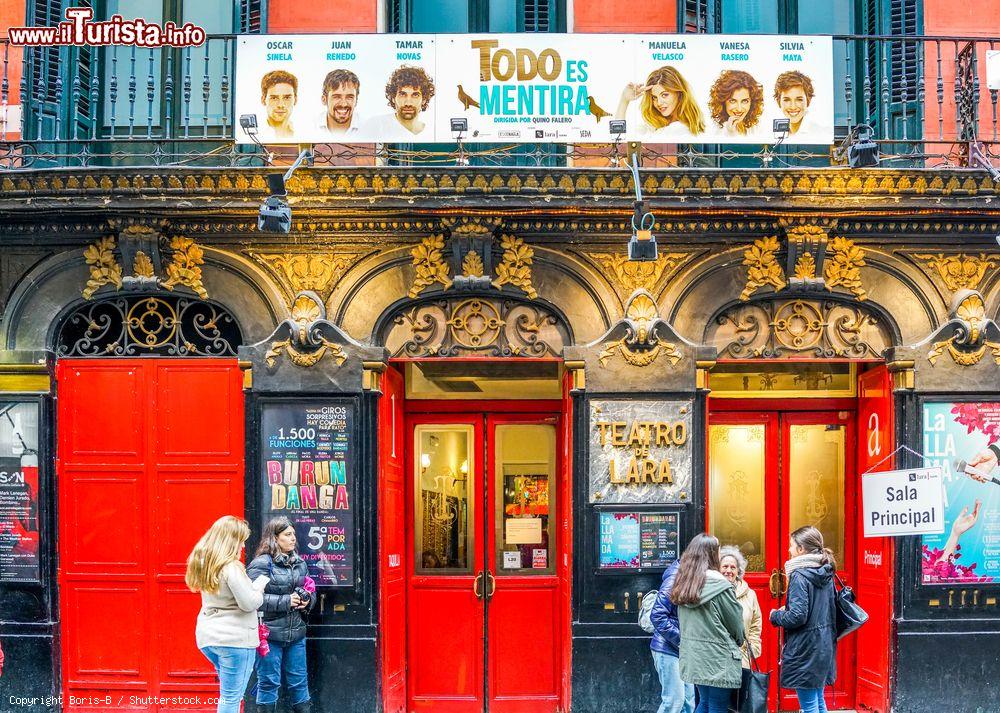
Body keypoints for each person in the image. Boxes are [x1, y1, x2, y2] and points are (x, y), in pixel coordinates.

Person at [186, 516, 268, 713]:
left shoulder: (206, 563)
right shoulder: (231, 567)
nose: (242, 545)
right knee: (232, 698)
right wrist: (260, 587)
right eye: (240, 540)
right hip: (235, 640)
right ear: (230, 540)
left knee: (227, 694)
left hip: (210, 638)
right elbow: (249, 603)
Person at [247, 517, 315, 713]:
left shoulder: (300, 562)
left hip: (296, 634)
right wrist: (286, 601)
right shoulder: (261, 564)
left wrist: (307, 600)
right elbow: (250, 598)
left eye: (293, 534)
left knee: (300, 684)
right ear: (274, 538)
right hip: (269, 636)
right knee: (268, 683)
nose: (294, 538)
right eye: (288, 535)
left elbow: (310, 589)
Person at [671, 534, 745, 713]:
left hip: (695, 656)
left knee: (704, 702)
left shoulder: (685, 585)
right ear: (711, 554)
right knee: (718, 706)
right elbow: (736, 626)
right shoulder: (721, 586)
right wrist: (738, 641)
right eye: (718, 550)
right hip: (719, 658)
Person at [769, 526, 838, 713]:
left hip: (805, 648)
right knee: (818, 700)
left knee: (809, 706)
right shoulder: (825, 572)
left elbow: (797, 616)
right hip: (823, 644)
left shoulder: (800, 575)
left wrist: (775, 615)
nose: (789, 550)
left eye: (791, 546)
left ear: (801, 549)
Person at [649, 558, 696, 713]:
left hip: (682, 649)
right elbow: (657, 616)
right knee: (674, 702)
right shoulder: (675, 579)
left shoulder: (692, 577)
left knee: (688, 703)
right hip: (667, 648)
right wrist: (681, 639)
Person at [614, 66, 705, 138]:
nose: (659, 103)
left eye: (664, 95)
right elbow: (618, 138)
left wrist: (624, 102)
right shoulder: (655, 126)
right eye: (654, 97)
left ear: (679, 93)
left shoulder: (679, 129)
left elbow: (620, 141)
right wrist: (624, 100)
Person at [719, 545, 762, 669]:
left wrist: (752, 649)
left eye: (733, 567)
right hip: (718, 659)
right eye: (725, 566)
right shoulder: (712, 592)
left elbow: (756, 623)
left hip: (742, 658)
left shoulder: (750, 594)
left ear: (738, 571)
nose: (729, 571)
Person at [363, 66, 435, 138]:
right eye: (402, 94)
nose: (408, 103)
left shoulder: (431, 133)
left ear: (424, 100)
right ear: (393, 98)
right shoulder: (376, 126)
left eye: (415, 95)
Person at [708, 70, 764, 137]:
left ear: (752, 102)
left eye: (745, 101)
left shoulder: (756, 128)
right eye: (733, 101)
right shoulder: (716, 132)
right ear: (723, 102)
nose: (739, 109)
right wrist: (730, 135)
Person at [318, 69, 360, 136]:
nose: (344, 104)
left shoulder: (368, 127)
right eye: (337, 97)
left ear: (356, 100)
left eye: (349, 97)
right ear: (324, 99)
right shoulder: (310, 128)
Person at [258, 70, 298, 140]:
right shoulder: (253, 134)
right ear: (263, 100)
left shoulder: (304, 132)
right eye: (274, 98)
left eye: (287, 98)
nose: (281, 105)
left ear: (295, 100)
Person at [773, 71, 815, 136]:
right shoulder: (770, 133)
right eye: (787, 100)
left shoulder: (822, 134)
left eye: (799, 99)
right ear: (778, 101)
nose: (793, 107)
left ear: (808, 100)